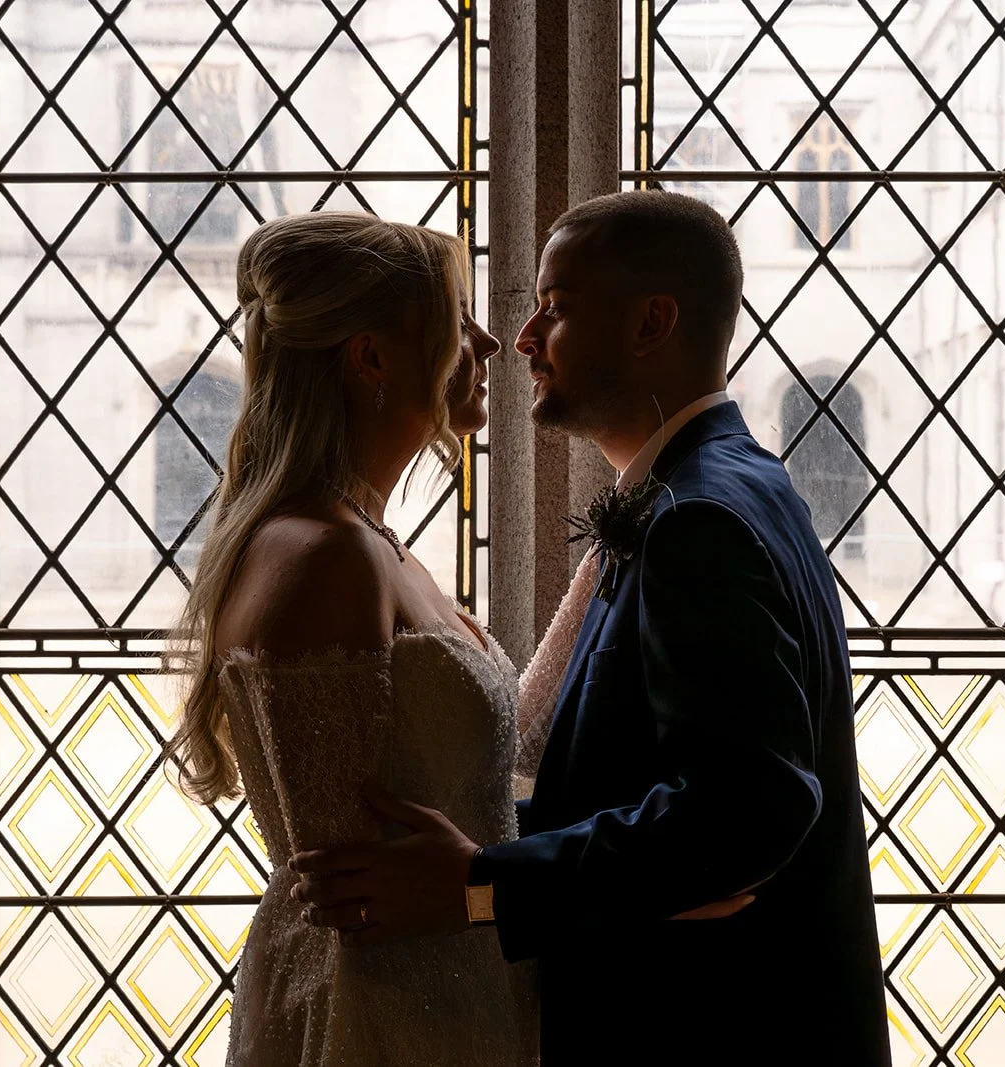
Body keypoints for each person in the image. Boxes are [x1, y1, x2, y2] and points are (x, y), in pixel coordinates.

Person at [292, 190, 891, 1063]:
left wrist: (481, 885)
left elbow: (748, 806)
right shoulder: (732, 481)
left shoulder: (699, 519)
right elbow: (635, 782)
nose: (524, 338)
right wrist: (490, 844)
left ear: (652, 322)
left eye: (556, 308)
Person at [168, 211, 538, 1065]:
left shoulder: (364, 541)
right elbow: (349, 881)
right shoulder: (326, 554)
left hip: (456, 982)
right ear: (370, 356)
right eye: (455, 313)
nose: (485, 339)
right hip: (386, 1012)